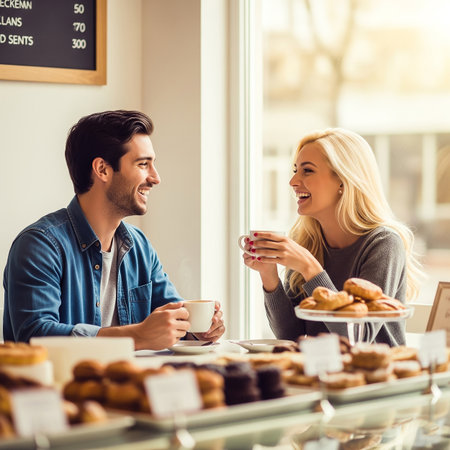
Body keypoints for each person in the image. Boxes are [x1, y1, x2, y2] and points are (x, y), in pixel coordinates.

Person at [3, 110, 225, 350]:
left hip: (130, 385)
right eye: (143, 164)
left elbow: (172, 320)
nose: (156, 178)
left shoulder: (138, 246)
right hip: (60, 387)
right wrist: (136, 336)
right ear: (102, 170)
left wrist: (198, 330)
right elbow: (35, 335)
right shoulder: (40, 245)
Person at [241, 128, 423, 346]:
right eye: (295, 170)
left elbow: (357, 338)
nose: (293, 181)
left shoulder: (383, 244)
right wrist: (268, 275)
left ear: (343, 180)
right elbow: (290, 337)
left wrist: (310, 268)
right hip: (323, 374)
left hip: (376, 376)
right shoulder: (308, 243)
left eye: (307, 171)